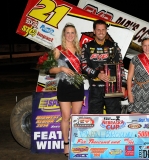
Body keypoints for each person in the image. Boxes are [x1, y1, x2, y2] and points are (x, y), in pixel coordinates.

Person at [49, 23, 84, 157]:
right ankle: (66, 144)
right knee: (65, 117)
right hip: (64, 85)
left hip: (77, 85)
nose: (70, 35)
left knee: (76, 117)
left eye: (72, 32)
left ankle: (75, 142)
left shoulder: (80, 50)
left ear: (75, 35)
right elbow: (51, 69)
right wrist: (62, 69)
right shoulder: (58, 50)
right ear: (64, 34)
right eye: (67, 32)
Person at [80, 19, 126, 114]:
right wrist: (97, 74)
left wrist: (123, 84)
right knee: (95, 120)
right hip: (95, 88)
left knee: (115, 119)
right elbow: (84, 66)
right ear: (94, 31)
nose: (101, 32)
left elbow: (120, 66)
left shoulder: (113, 46)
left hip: (112, 88)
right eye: (98, 30)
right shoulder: (86, 47)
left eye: (103, 29)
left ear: (106, 31)